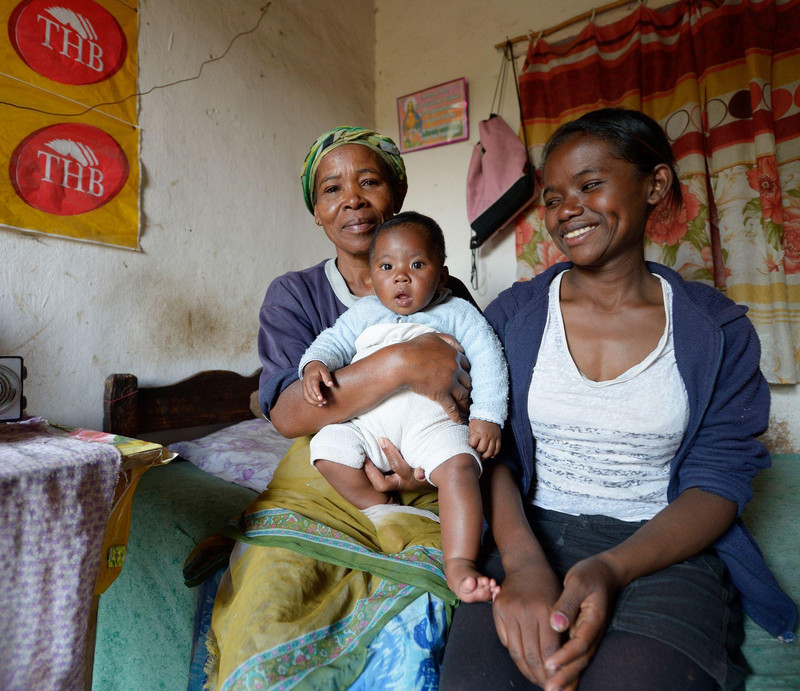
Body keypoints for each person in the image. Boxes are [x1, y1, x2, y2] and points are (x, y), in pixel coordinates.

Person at [439, 108, 797, 691]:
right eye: (553, 198)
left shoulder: (717, 330)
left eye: (591, 184)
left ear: (654, 185)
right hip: (527, 535)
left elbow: (719, 482)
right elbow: (492, 451)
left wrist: (610, 568)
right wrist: (524, 563)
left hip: (660, 549)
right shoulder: (515, 317)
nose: (567, 210)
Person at [205, 127, 479, 689]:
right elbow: (288, 414)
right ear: (317, 212)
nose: (352, 199)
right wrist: (401, 362)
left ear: (396, 196)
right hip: (321, 480)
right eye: (331, 189)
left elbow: (477, 396)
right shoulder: (295, 294)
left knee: (420, 629)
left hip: (427, 474)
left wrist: (423, 466)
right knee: (267, 620)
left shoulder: (448, 292)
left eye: (369, 182)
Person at [299, 211, 508, 602]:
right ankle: (381, 505)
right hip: (369, 427)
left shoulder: (457, 312)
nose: (401, 276)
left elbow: (489, 356)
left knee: (461, 468)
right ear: (372, 277)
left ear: (441, 276)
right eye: (386, 267)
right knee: (326, 448)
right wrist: (314, 365)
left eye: (416, 265)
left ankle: (459, 563)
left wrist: (488, 416)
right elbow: (331, 342)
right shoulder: (364, 313)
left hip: (434, 426)